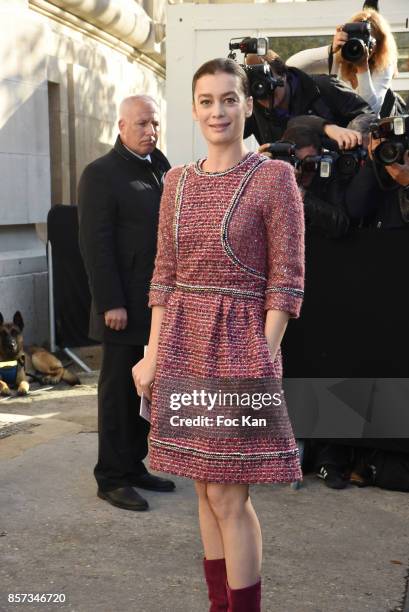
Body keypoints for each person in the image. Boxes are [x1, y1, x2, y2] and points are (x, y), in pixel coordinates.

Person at [132, 59, 305, 611]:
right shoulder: (177, 182)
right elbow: (164, 275)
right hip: (183, 343)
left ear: (247, 105)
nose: (218, 111)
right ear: (193, 108)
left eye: (229, 99)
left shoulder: (274, 178)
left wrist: (262, 353)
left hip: (241, 348)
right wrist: (152, 353)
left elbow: (287, 280)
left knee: (230, 492)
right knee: (204, 490)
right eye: (206, 101)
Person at [78, 95, 175, 512]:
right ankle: (111, 477)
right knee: (117, 393)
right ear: (120, 126)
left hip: (155, 305)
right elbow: (94, 245)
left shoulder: (162, 167)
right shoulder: (100, 174)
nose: (150, 131)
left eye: (154, 124)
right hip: (121, 308)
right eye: (141, 124)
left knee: (146, 391)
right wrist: (110, 303)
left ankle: (134, 466)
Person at [244, 51, 374, 149]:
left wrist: (353, 137)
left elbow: (366, 113)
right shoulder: (253, 108)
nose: (265, 94)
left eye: (268, 83)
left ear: (283, 74)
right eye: (256, 88)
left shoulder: (323, 87)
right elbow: (226, 136)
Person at [287, 8, 398, 116]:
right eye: (354, 39)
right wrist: (330, 50)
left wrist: (362, 68)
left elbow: (370, 110)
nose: (358, 45)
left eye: (366, 40)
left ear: (379, 45)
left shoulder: (384, 64)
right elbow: (290, 66)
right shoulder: (339, 57)